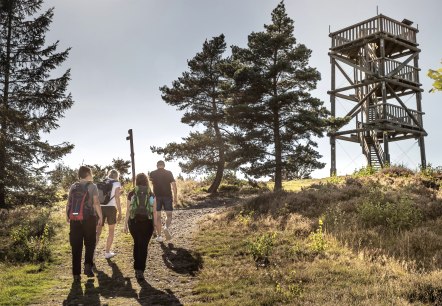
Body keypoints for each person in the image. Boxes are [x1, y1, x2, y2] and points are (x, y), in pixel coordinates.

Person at [66, 166, 103, 281]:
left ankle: (76, 274)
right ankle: (88, 266)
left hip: (75, 219)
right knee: (90, 242)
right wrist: (100, 216)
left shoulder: (73, 186)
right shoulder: (92, 186)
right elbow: (96, 202)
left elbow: (69, 202)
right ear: (88, 174)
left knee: (76, 246)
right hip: (89, 218)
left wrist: (68, 216)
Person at [123, 173, 156, 280]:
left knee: (137, 243)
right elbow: (154, 211)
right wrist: (155, 226)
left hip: (134, 222)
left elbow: (128, 210)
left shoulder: (132, 193)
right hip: (148, 222)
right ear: (147, 181)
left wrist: (125, 225)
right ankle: (141, 270)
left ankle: (137, 269)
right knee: (144, 246)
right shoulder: (151, 194)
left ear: (136, 181)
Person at [96, 169, 122, 259]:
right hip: (111, 208)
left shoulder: (101, 182)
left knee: (97, 231)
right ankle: (107, 252)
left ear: (108, 175)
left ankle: (92, 253)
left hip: (99, 208)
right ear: (116, 176)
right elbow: (117, 198)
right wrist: (120, 211)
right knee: (111, 230)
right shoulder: (117, 183)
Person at [149, 160, 177, 242]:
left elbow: (150, 185)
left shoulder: (152, 173)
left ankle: (159, 236)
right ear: (164, 165)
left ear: (157, 165)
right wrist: (175, 197)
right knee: (169, 215)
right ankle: (166, 228)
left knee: (158, 216)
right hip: (167, 196)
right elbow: (174, 185)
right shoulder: (169, 173)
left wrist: (150, 196)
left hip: (156, 197)